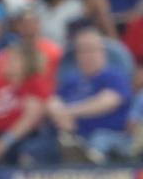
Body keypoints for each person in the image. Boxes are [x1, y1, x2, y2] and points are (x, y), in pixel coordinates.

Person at [41, 28, 132, 164]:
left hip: (108, 136)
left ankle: (85, 156)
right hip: (71, 135)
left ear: (102, 51)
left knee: (100, 141)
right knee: (37, 147)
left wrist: (69, 112)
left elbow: (108, 101)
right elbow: (52, 101)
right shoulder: (70, 80)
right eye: (82, 51)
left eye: (91, 49)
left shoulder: (114, 76)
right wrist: (59, 113)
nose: (86, 55)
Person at [0, 42, 48, 165]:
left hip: (18, 137)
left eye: (14, 59)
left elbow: (30, 118)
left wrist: (4, 142)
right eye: (7, 58)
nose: (7, 62)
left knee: (23, 152)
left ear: (28, 62)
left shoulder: (34, 83)